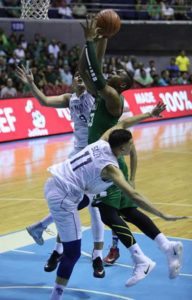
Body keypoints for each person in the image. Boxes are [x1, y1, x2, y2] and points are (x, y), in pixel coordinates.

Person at [79, 15, 185, 284]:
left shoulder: (113, 97)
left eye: (116, 76)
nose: (112, 73)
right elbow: (88, 71)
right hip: (107, 161)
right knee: (129, 212)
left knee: (106, 211)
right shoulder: (107, 95)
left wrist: (91, 40)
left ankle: (140, 259)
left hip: (107, 163)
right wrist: (102, 38)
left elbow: (95, 73)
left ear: (120, 86)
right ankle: (167, 247)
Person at [45, 116, 186, 300]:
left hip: (55, 183)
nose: (132, 145)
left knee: (111, 211)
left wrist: (150, 113)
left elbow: (122, 124)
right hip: (64, 196)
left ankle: (148, 256)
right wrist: (162, 214)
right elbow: (134, 195)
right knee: (75, 251)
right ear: (121, 148)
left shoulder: (103, 141)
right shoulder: (111, 168)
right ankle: (55, 296)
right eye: (130, 143)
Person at [16, 65, 105, 277]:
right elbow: (45, 102)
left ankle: (97, 255)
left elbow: (94, 66)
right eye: (77, 76)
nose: (80, 79)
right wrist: (32, 84)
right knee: (68, 204)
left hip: (94, 155)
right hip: (76, 156)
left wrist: (93, 42)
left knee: (94, 208)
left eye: (84, 77)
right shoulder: (69, 98)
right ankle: (59, 250)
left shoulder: (94, 96)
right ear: (73, 82)